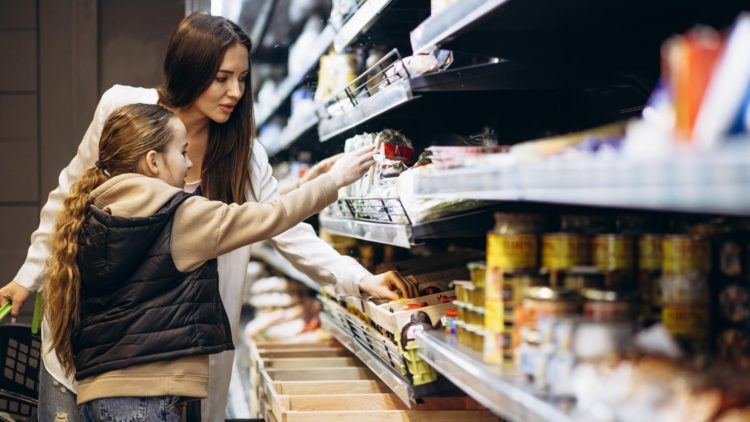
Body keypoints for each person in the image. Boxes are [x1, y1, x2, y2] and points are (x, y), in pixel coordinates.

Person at [0, 12, 417, 422]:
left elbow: (285, 229)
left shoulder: (243, 154)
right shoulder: (124, 110)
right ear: (190, 69)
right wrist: (27, 277)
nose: (235, 91)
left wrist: (359, 278)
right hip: (89, 344)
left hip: (177, 361)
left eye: (242, 78)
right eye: (222, 77)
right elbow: (70, 196)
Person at [44, 102, 373, 421]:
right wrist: (335, 180)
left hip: (98, 396)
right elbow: (270, 217)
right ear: (153, 162)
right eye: (182, 152)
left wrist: (302, 185)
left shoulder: (91, 214)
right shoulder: (178, 214)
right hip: (146, 402)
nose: (189, 163)